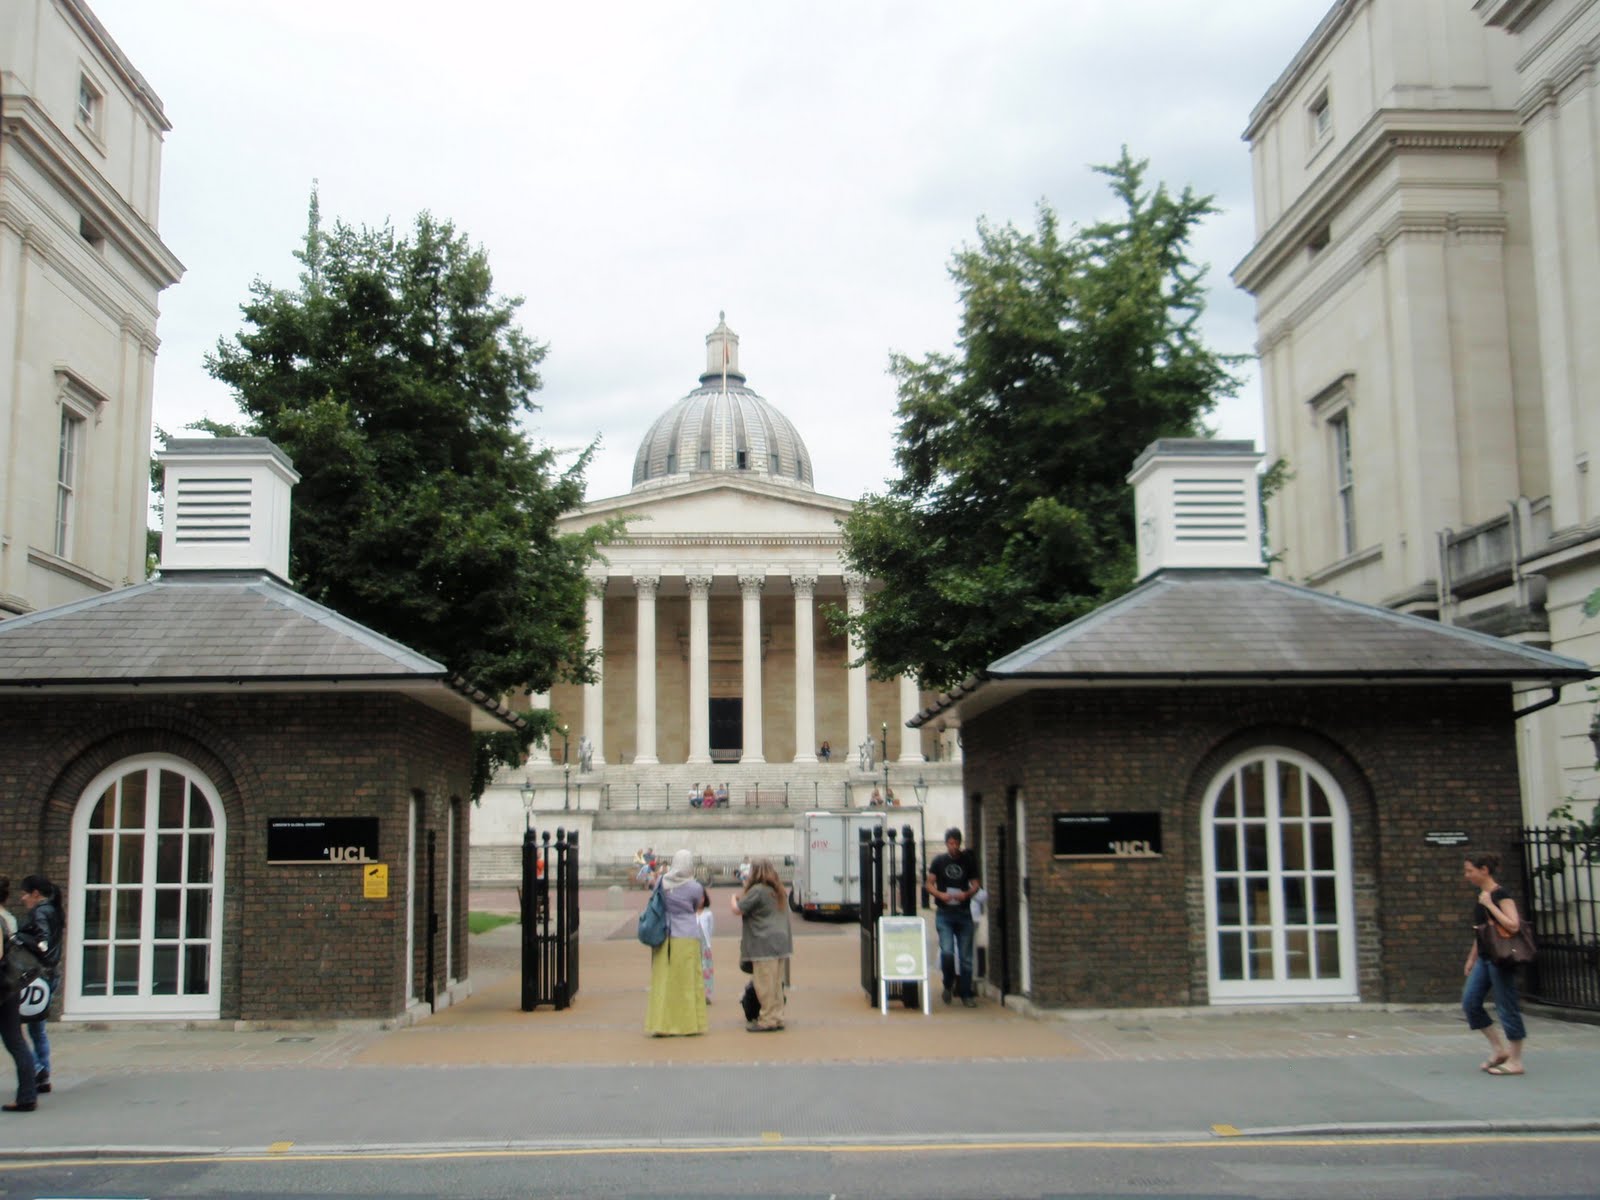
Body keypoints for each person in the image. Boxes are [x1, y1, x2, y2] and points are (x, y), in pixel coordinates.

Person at [1462, 853, 1526, 1076]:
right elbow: (1482, 933)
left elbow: (1514, 925)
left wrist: (1491, 904)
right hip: (1485, 957)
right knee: (1470, 1002)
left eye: (1470, 870)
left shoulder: (1500, 894)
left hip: (1502, 958)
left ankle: (1516, 1060)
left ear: (1484, 870)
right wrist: (1471, 958)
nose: (1466, 875)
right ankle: (1499, 1049)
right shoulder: (1481, 896)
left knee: (1506, 1006)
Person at [644, 849, 708, 1037]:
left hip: (664, 936)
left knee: (663, 980)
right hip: (687, 935)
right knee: (687, 981)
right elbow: (696, 905)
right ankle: (688, 1024)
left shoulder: (662, 882)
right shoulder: (695, 887)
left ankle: (661, 1023)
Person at [730, 858, 793, 1032]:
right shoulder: (778, 890)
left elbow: (738, 909)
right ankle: (777, 1016)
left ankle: (767, 1019)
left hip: (764, 942)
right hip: (781, 943)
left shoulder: (757, 890)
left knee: (764, 983)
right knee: (776, 984)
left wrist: (733, 899)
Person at [14, 877, 61, 1098]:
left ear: (35, 893)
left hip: (37, 975)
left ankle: (38, 1070)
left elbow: (43, 941)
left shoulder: (40, 912)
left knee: (16, 1027)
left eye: (25, 893)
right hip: (50, 973)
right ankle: (43, 1072)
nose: (22, 898)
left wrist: (21, 939)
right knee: (38, 1028)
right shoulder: (53, 909)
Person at [926, 828, 981, 1008]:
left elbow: (975, 884)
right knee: (947, 952)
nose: (954, 847)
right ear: (946, 843)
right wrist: (940, 895)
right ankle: (947, 983)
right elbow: (929, 883)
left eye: (957, 843)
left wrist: (967, 894)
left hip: (964, 913)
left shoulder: (968, 861)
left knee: (966, 957)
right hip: (944, 913)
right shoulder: (939, 861)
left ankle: (966, 993)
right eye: (951, 843)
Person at [0, 878, 37, 1112]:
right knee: (16, 1040)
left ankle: (27, 1095)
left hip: (2, 986)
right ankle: (27, 1095)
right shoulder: (9, 918)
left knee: (15, 1041)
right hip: (8, 987)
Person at [696, 883, 715, 1005]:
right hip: (693, 945)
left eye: (702, 897)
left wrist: (708, 943)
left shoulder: (708, 913)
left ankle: (706, 994)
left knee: (706, 970)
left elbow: (711, 929)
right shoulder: (690, 913)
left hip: (705, 946)